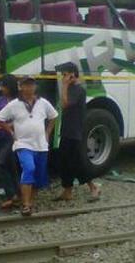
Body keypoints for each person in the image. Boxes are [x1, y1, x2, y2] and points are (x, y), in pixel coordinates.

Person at [0, 76, 58, 216]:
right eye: (25, 85)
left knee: (39, 176)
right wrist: (10, 130)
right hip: (23, 143)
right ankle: (26, 204)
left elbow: (53, 116)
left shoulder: (43, 102)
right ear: (20, 87)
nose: (29, 88)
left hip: (41, 145)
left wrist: (47, 132)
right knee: (29, 168)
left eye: (31, 85)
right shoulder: (14, 104)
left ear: (35, 87)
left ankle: (30, 201)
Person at [54, 62, 101, 201]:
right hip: (67, 129)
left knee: (77, 161)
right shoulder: (70, 89)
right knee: (64, 161)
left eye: (65, 74)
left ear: (72, 74)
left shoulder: (78, 89)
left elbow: (65, 104)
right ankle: (67, 190)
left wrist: (64, 85)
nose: (63, 77)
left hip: (75, 131)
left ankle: (93, 187)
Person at [0, 75, 20, 209]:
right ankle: (18, 194)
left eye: (4, 86)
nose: (1, 89)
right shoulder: (0, 99)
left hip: (12, 138)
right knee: (11, 167)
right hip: (1, 137)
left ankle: (11, 195)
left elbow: (17, 121)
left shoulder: (18, 102)